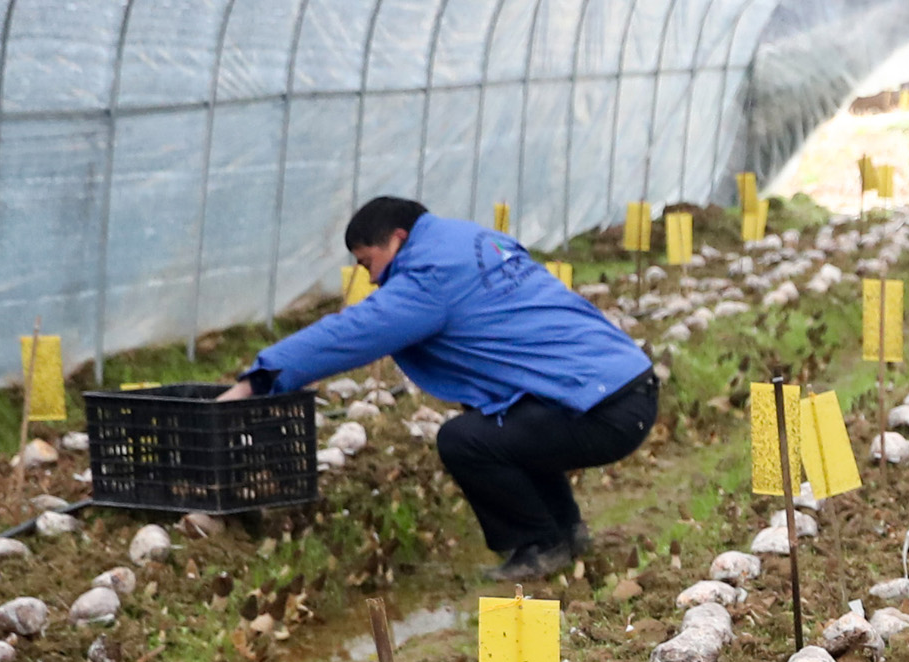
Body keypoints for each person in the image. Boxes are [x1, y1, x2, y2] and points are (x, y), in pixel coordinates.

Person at [219, 197, 658, 580]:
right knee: (510, 423)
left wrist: (260, 379)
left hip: (602, 408)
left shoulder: (431, 274)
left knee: (465, 440)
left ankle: (539, 545)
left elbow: (352, 332)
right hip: (622, 385)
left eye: (368, 262)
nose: (370, 279)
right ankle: (566, 532)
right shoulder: (471, 239)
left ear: (397, 238)